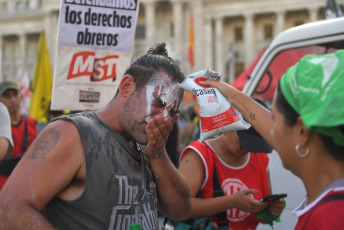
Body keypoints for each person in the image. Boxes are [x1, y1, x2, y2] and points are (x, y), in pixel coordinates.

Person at [0, 43, 191, 230]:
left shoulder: (146, 146)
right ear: (126, 87)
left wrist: (157, 154)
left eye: (173, 111)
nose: (165, 118)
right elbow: (10, 210)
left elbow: (181, 211)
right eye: (159, 102)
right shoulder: (73, 134)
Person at [199, 50, 344, 229]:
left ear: (302, 132)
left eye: (274, 119)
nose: (270, 131)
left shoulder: (328, 220)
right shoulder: (330, 200)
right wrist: (231, 93)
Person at [178, 97, 285, 229]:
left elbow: (261, 217)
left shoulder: (260, 159)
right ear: (227, 124)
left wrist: (271, 210)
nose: (247, 148)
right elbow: (179, 207)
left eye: (254, 145)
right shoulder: (199, 156)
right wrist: (231, 202)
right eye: (244, 141)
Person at [0, 80, 37, 189]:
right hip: (3, 188)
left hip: (27, 185)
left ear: (20, 97)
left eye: (15, 95)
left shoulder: (31, 122)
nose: (12, 100)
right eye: (7, 96)